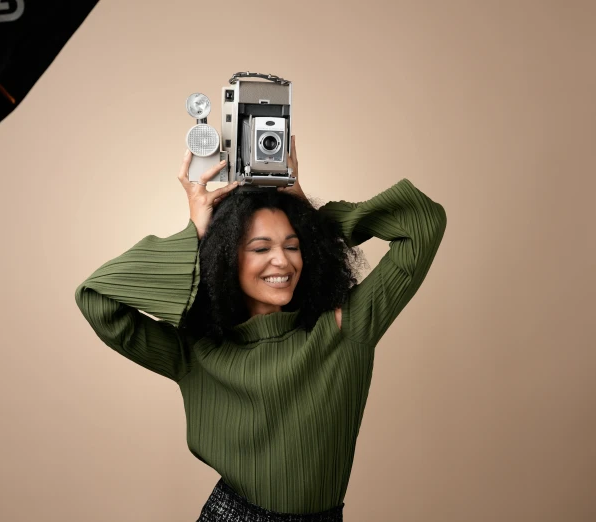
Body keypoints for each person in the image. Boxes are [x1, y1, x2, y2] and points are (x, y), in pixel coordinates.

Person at [74, 136, 447, 521]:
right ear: (226, 259)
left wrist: (310, 213)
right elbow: (96, 298)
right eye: (259, 248)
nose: (281, 262)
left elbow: (423, 222)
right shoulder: (197, 352)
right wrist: (194, 234)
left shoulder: (345, 326)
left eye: (293, 245)